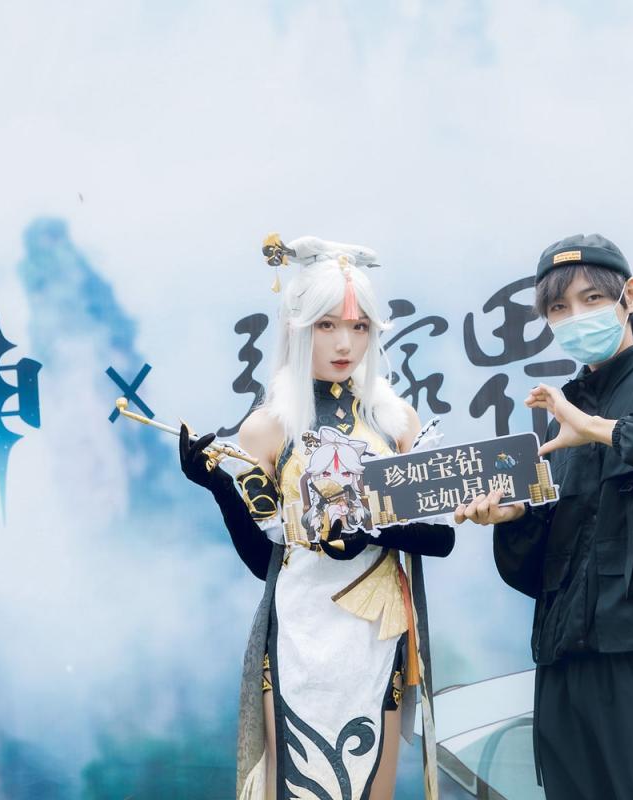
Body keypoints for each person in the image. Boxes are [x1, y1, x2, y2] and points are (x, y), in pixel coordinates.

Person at [455, 234, 633, 799]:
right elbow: (540, 572)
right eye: (558, 309)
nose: (575, 317)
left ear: (629, 296)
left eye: (591, 300)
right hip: (564, 671)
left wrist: (594, 429)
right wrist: (514, 517)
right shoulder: (560, 416)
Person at [177, 234, 454, 800]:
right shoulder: (269, 426)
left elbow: (440, 537)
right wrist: (218, 490)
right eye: (326, 325)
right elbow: (264, 561)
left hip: (376, 636)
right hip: (300, 632)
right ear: (297, 329)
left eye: (359, 327)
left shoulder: (397, 421)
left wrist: (367, 525)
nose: (344, 342)